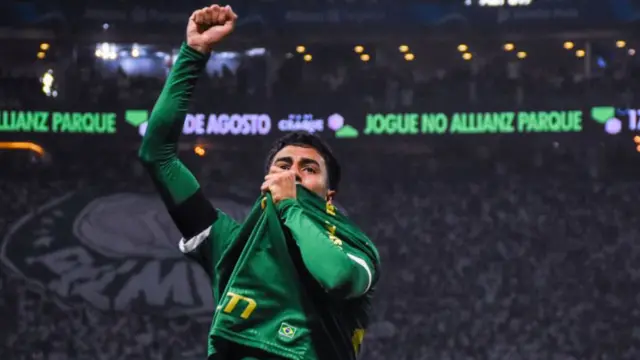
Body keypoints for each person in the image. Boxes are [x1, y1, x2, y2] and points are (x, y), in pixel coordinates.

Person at [138, 5, 380, 359]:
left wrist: (290, 206)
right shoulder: (231, 243)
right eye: (283, 165)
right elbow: (157, 154)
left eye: (309, 169)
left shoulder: (354, 246)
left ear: (330, 196)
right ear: (265, 183)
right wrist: (193, 54)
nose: (294, 173)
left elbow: (339, 277)